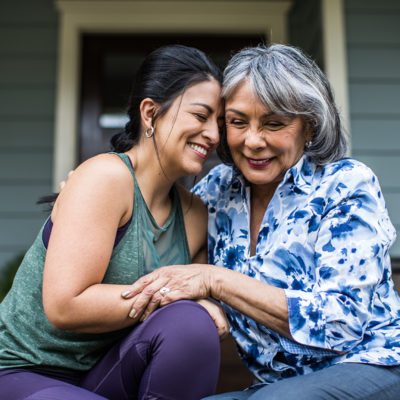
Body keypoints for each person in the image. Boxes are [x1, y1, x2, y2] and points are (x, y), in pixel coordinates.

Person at [121, 44, 400, 399]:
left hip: (373, 364)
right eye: (238, 122)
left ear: (309, 127)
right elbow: (158, 246)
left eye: (274, 123)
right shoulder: (218, 191)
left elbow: (341, 324)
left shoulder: (345, 185)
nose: (253, 141)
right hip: (274, 387)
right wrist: (102, 193)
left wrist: (216, 282)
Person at [0, 44, 229, 400]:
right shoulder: (105, 177)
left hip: (105, 374)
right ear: (151, 113)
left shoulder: (195, 215)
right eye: (201, 116)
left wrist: (202, 304)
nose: (214, 135)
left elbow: (189, 313)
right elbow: (65, 305)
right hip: (23, 370)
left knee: (191, 324)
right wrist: (177, 296)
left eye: (219, 121)